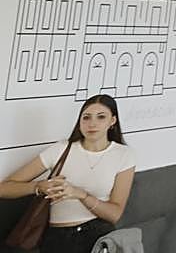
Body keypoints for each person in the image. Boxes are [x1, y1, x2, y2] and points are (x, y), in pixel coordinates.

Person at [0, 94, 136, 253]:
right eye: (86, 117)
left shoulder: (123, 154)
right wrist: (39, 187)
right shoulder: (61, 149)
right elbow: (4, 188)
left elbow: (114, 214)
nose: (92, 123)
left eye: (101, 117)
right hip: (57, 238)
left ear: (112, 121)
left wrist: (81, 195)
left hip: (97, 236)